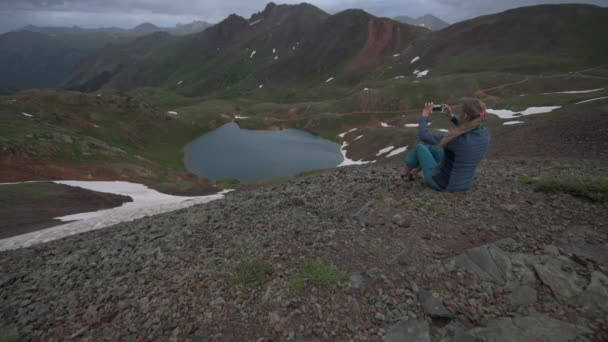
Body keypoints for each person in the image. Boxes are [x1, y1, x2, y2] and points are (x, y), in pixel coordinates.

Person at [400, 98, 490, 192]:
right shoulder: (484, 133)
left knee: (420, 148)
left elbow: (424, 136)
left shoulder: (455, 139)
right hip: (466, 184)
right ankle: (414, 172)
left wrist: (425, 115)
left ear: (466, 116)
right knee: (434, 148)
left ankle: (404, 174)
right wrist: (451, 116)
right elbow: (468, 127)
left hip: (444, 184)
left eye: (461, 113)